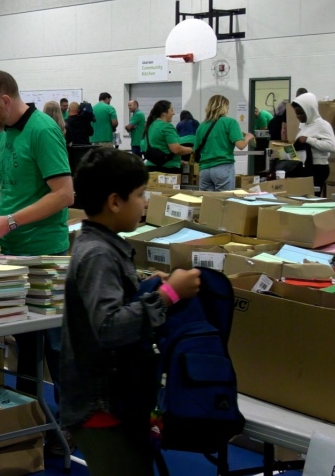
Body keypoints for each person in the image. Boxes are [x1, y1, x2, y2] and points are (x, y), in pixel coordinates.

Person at [61, 147, 200, 476]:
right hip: (102, 406)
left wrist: (144, 284)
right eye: (140, 194)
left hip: (115, 401)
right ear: (114, 202)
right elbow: (109, 327)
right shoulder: (97, 253)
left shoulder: (103, 244)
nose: (146, 202)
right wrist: (167, 295)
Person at [0, 70, 74, 400]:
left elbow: (64, 194)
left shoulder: (42, 131)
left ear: (4, 100)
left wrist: (10, 221)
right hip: (13, 250)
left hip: (44, 252)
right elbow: (9, 180)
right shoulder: (4, 133)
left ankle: (72, 421)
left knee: (55, 346)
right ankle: (31, 413)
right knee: (25, 342)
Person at [195, 95, 254, 191]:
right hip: (223, 167)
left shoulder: (201, 126)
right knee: (224, 201)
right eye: (228, 106)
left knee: (206, 202)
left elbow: (196, 149)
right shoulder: (230, 122)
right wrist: (247, 138)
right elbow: (241, 145)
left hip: (204, 170)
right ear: (223, 107)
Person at [291, 92, 335, 192]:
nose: (298, 116)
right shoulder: (304, 126)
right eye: (297, 113)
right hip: (304, 168)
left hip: (318, 168)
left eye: (301, 113)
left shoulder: (323, 125)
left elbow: (332, 147)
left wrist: (309, 140)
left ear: (310, 110)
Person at [143, 100, 192, 174]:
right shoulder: (166, 127)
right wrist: (191, 150)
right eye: (171, 110)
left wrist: (178, 160)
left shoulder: (150, 126)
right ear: (164, 113)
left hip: (151, 167)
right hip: (168, 169)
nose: (173, 113)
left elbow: (158, 147)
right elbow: (176, 149)